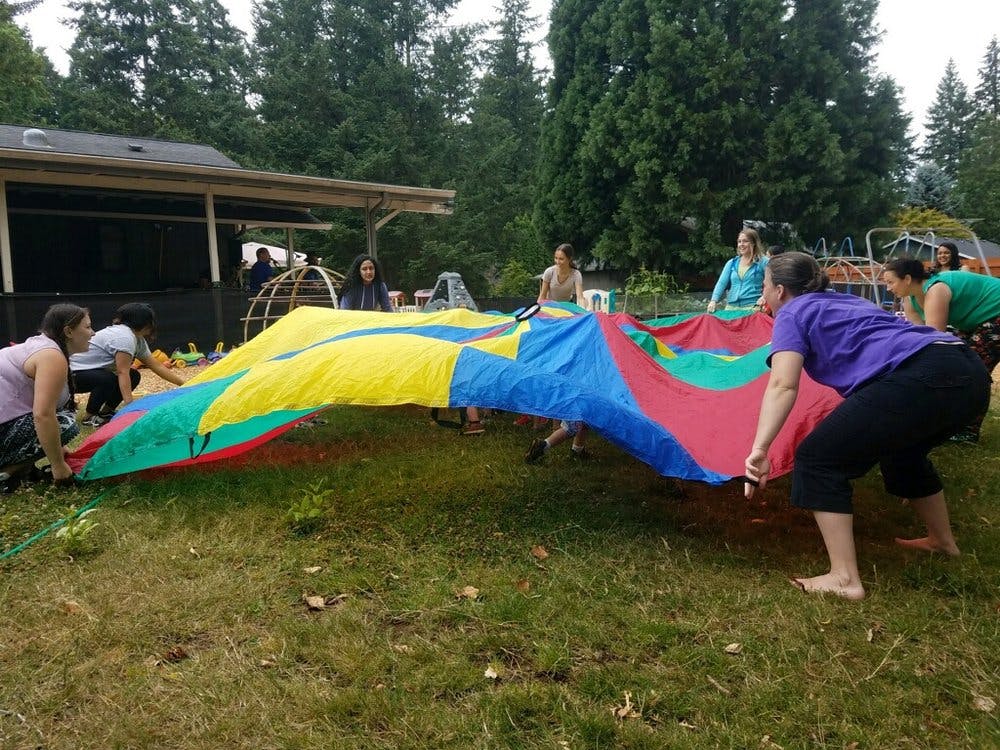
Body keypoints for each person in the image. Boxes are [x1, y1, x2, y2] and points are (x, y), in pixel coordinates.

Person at [744, 252, 989, 600]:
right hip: (968, 372)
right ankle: (942, 542)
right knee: (903, 451)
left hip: (924, 375)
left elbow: (784, 384)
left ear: (780, 291)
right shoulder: (843, 300)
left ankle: (844, 578)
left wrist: (760, 448)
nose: (763, 293)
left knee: (818, 458)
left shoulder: (792, 313)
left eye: (765, 286)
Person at [883, 257, 1000, 441]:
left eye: (890, 282)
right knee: (959, 366)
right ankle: (950, 423)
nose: (888, 288)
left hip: (995, 313)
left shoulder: (935, 290)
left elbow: (935, 339)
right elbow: (920, 338)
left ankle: (967, 430)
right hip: (975, 321)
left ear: (906, 279)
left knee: (973, 370)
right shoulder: (909, 299)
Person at [0, 304, 94, 489]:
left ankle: (20, 469)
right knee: (65, 423)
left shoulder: (39, 345)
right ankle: (8, 471)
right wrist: (58, 466)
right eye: (88, 327)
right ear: (68, 331)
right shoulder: (52, 356)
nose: (93, 333)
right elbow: (42, 415)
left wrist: (58, 449)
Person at [70, 303, 186, 426]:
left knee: (134, 375)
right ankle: (89, 416)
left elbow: (157, 366)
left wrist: (185, 384)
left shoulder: (137, 339)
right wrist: (130, 407)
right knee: (107, 378)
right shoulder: (125, 337)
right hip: (71, 378)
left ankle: (105, 413)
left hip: (88, 374)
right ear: (146, 324)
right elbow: (122, 372)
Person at [707, 228, 768, 313]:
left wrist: (764, 297)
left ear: (753, 243)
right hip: (731, 308)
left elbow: (772, 282)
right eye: (739, 241)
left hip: (753, 307)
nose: (741, 244)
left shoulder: (763, 261)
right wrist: (713, 300)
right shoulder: (731, 263)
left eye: (745, 241)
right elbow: (721, 283)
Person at [525, 420, 589, 463]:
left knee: (583, 424)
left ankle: (577, 450)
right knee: (569, 429)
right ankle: (542, 445)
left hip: (575, 404)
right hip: (579, 404)